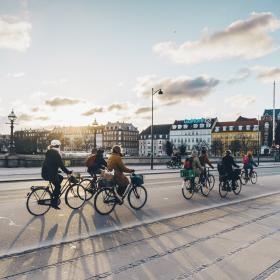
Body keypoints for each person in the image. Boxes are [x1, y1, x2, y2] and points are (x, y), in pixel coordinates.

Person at [41, 140, 72, 209]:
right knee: (58, 186)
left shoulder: (49, 152)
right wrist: (68, 172)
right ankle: (54, 203)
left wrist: (56, 170)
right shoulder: (56, 153)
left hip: (46, 172)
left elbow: (51, 163)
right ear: (58, 146)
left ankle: (54, 193)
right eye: (59, 146)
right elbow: (61, 165)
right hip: (50, 174)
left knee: (60, 178)